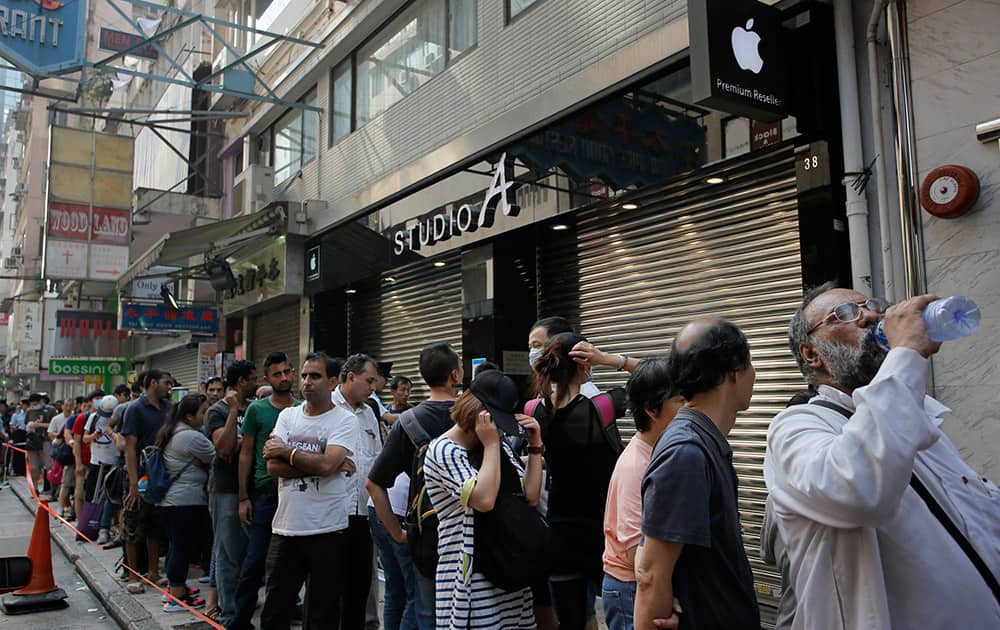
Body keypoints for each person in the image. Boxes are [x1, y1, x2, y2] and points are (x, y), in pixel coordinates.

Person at [764, 285, 1000, 628]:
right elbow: (858, 489)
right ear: (812, 354)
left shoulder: (912, 417)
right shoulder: (796, 427)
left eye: (873, 306)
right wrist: (906, 353)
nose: (872, 316)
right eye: (845, 314)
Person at [634, 318, 759, 630]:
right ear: (735, 372)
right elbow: (650, 574)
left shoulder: (700, 441)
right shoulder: (686, 451)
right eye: (751, 363)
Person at [423, 371, 544, 628]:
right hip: (470, 574)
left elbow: (530, 497)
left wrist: (535, 447)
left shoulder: (496, 446)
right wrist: (491, 445)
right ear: (477, 411)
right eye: (496, 419)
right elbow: (484, 499)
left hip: (507, 566)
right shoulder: (444, 450)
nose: (499, 427)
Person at [529, 332, 627, 629]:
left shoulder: (533, 410)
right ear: (585, 366)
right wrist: (611, 360)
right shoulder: (601, 407)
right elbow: (658, 378)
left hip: (560, 532)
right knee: (626, 614)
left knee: (572, 621)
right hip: (605, 530)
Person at [367, 342, 464, 630]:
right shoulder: (475, 416)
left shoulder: (408, 421)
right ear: (456, 375)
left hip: (427, 534)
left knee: (426, 612)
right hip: (472, 532)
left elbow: (374, 484)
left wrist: (398, 533)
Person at [259, 352, 359, 630]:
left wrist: (288, 452)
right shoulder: (288, 416)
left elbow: (326, 464)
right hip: (286, 529)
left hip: (327, 530)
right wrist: (328, 466)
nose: (306, 382)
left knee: (321, 614)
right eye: (303, 375)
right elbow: (272, 468)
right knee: (274, 611)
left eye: (314, 376)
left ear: (332, 381)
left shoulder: (345, 420)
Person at [601, 359, 683, 630]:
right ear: (651, 409)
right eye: (680, 402)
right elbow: (635, 554)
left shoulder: (661, 452)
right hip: (630, 589)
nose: (688, 410)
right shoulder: (635, 465)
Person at [231, 352, 300, 630]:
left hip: (295, 492)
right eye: (277, 374)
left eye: (287, 372)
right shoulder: (257, 410)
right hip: (265, 493)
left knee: (290, 564)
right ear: (267, 379)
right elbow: (245, 453)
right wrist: (243, 497)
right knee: (255, 562)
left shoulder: (302, 409)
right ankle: (239, 621)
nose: (283, 377)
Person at [204, 359, 257, 627]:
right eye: (253, 378)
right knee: (228, 554)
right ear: (240, 382)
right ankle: (230, 615)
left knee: (250, 554)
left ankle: (243, 608)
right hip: (225, 491)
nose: (257, 382)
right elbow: (224, 449)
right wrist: (233, 410)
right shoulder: (217, 411)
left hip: (251, 490)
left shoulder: (255, 408)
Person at [333, 354, 382, 629]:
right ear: (350, 377)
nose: (373, 387)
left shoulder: (369, 412)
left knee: (359, 587)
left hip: (363, 514)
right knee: (329, 588)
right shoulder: (326, 408)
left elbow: (376, 459)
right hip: (332, 515)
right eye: (369, 380)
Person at [156, 393, 215, 612]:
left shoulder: (172, 431)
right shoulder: (191, 437)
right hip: (185, 501)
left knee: (176, 546)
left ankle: (174, 590)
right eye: (202, 413)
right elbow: (217, 456)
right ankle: (177, 599)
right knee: (182, 548)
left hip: (172, 500)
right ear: (189, 416)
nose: (205, 417)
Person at [123, 370, 174, 593]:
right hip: (139, 475)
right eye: (166, 383)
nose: (169, 387)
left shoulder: (168, 408)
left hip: (159, 476)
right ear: (153, 383)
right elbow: (129, 448)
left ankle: (153, 571)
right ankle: (133, 575)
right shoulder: (134, 409)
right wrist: (133, 483)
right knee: (134, 525)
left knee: (156, 526)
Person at [83, 395, 120, 545]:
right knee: (91, 494)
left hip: (113, 463)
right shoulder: (93, 417)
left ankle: (105, 527)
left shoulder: (120, 417)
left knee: (110, 497)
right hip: (96, 462)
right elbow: (84, 438)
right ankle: (89, 525)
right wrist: (94, 435)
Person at [72, 390, 105, 523]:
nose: (100, 401)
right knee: (80, 494)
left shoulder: (109, 417)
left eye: (102, 398)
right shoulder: (82, 418)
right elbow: (77, 442)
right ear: (90, 402)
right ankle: (81, 523)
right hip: (85, 462)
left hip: (101, 463)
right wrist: (79, 463)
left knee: (98, 495)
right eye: (97, 398)